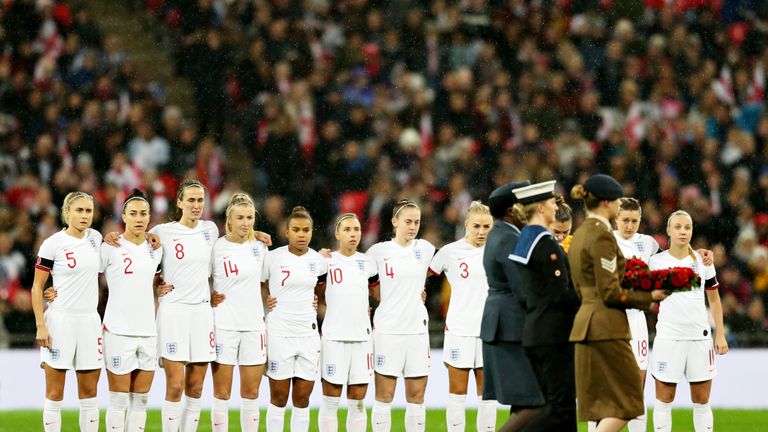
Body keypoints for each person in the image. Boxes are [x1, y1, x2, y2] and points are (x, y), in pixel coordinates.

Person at [568, 174, 667, 432]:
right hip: (611, 320)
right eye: (625, 217)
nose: (630, 225)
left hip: (603, 321)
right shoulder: (604, 237)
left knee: (607, 398)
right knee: (631, 400)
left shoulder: (582, 234)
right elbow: (610, 291)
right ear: (609, 204)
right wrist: (650, 297)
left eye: (635, 220)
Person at [509, 180, 580, 432]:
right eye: (551, 202)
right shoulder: (545, 243)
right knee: (560, 409)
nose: (555, 206)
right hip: (552, 333)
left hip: (535, 329)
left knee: (545, 405)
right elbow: (559, 295)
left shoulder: (525, 238)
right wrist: (593, 296)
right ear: (540, 207)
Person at [649, 210, 728, 432]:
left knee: (702, 401)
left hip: (699, 339)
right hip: (668, 338)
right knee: (664, 400)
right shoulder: (655, 262)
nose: (683, 231)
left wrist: (719, 334)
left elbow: (714, 300)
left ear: (692, 231)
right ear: (668, 230)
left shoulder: (703, 262)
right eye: (678, 227)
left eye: (687, 227)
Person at [151, 179, 219, 432]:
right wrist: (155, 286)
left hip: (201, 311)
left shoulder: (210, 230)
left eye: (200, 200)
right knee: (176, 385)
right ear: (179, 202)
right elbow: (140, 259)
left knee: (196, 387)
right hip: (173, 312)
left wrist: (256, 235)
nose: (196, 205)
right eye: (190, 200)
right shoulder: (162, 232)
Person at [31, 191, 103, 432]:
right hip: (60, 320)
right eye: (79, 210)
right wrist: (41, 325)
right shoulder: (53, 244)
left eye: (88, 211)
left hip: (90, 321)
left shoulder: (96, 238)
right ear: (67, 213)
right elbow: (37, 287)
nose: (84, 215)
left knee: (90, 393)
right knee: (54, 392)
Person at [481, 181, 546, 432]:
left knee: (523, 402)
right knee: (533, 402)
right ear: (511, 211)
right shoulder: (509, 239)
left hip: (504, 324)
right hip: (510, 327)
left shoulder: (502, 233)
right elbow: (524, 289)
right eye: (525, 204)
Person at [366, 199, 436, 432]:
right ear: (395, 222)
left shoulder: (425, 249)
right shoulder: (377, 252)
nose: (413, 226)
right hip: (388, 331)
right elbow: (359, 281)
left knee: (417, 397)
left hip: (417, 331)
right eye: (408, 221)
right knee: (384, 395)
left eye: (417, 222)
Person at [428, 201, 497, 432]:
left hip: (488, 331)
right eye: (476, 226)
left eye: (486, 227)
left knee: (487, 395)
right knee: (457, 393)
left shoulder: (498, 250)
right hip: (459, 329)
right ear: (466, 224)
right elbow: (422, 273)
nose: (481, 231)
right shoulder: (450, 252)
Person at [101, 190, 163, 432]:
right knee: (118, 400)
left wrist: (162, 286)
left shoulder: (155, 249)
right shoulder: (110, 246)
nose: (139, 218)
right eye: (133, 214)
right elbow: (85, 274)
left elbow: (156, 279)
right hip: (118, 330)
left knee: (141, 401)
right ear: (123, 216)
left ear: (149, 218)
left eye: (143, 214)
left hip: (148, 330)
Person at [262, 206, 327, 432]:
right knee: (279, 398)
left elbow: (322, 289)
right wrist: (266, 299)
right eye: (296, 230)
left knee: (302, 399)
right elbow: (261, 283)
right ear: (286, 231)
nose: (301, 234)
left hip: (308, 334)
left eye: (306, 230)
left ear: (311, 232)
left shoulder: (319, 261)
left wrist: (317, 301)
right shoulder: (272, 258)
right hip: (279, 332)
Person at [209, 193, 268, 432]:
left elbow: (271, 282)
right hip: (224, 325)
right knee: (222, 393)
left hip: (254, 326)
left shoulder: (261, 248)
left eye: (250, 217)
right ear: (229, 220)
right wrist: (207, 297)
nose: (245, 222)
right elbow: (196, 278)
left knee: (251, 393)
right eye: (240, 217)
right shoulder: (216, 248)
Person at [316, 213, 378, 432]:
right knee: (331, 400)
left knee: (358, 401)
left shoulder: (368, 263)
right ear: (337, 234)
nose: (353, 234)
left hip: (362, 338)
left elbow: (379, 293)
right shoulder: (326, 261)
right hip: (334, 337)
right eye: (348, 230)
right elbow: (315, 291)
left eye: (357, 230)